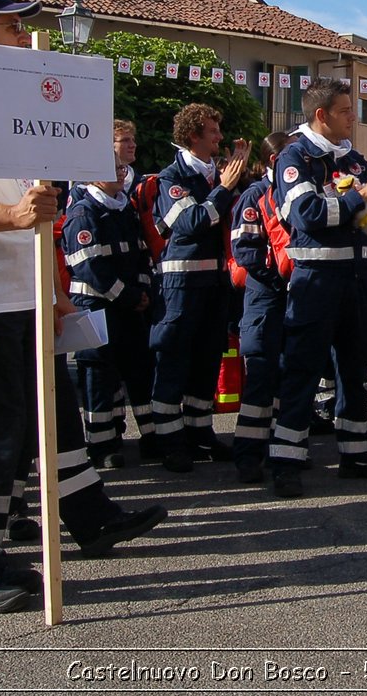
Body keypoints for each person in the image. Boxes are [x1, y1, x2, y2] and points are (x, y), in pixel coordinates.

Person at [0, 0, 164, 614]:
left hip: (22, 298)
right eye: (11, 28)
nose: (24, 38)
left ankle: (90, 518)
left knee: (54, 419)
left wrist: (51, 290)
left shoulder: (15, 103)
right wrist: (13, 215)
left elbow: (40, 215)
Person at [268, 77, 367, 498]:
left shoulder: (354, 158)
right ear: (321, 115)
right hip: (317, 282)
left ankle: (356, 453)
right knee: (304, 368)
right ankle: (287, 460)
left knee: (355, 369)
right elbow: (305, 213)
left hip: (361, 278)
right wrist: (360, 199)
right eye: (346, 111)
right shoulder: (295, 156)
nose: (352, 118)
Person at [147, 103, 250, 472]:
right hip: (180, 287)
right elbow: (191, 222)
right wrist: (223, 189)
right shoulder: (170, 178)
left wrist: (237, 177)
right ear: (193, 136)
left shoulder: (213, 175)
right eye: (212, 132)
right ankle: (170, 443)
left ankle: (200, 434)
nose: (220, 138)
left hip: (213, 286)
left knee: (206, 362)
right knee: (173, 362)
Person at [62, 159, 157, 469]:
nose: (120, 174)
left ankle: (151, 437)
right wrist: (128, 296)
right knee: (99, 376)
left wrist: (142, 292)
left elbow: (141, 254)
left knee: (139, 370)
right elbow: (89, 268)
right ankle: (102, 445)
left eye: (122, 169)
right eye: (112, 168)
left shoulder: (123, 208)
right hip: (96, 307)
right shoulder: (83, 213)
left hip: (129, 307)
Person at [230, 131, 292, 482]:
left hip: (290, 298)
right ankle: (248, 456)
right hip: (265, 298)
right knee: (261, 379)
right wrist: (277, 279)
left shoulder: (296, 191)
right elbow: (247, 252)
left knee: (286, 377)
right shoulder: (255, 196)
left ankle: (277, 450)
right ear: (274, 160)